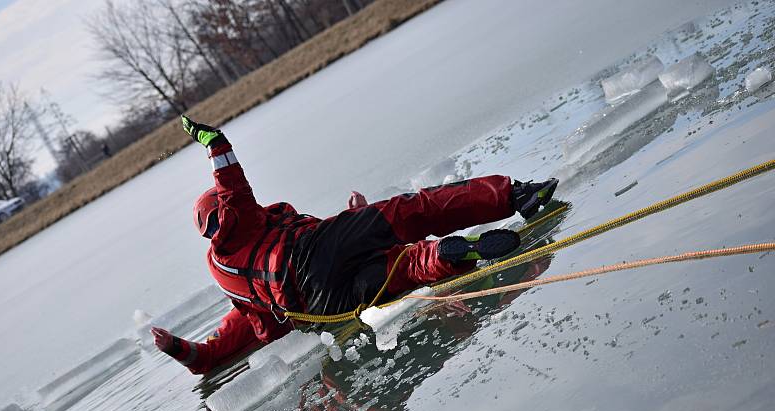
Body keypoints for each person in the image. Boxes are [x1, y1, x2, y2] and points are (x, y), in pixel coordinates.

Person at [152, 116, 558, 373]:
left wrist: (174, 347)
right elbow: (234, 186)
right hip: (314, 252)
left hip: (320, 307)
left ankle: (447, 254)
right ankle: (514, 195)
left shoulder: (241, 292)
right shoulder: (242, 222)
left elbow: (212, 354)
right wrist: (213, 141)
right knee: (409, 212)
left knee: (402, 269)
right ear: (223, 214)